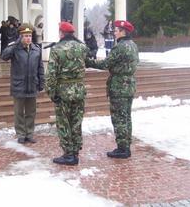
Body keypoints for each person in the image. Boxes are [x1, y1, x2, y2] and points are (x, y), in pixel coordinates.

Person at [86, 20, 139, 159]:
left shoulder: (120, 47)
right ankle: (126, 145)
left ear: (123, 31)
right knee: (126, 117)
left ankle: (122, 149)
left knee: (119, 118)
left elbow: (105, 63)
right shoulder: (133, 45)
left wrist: (88, 61)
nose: (114, 32)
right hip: (129, 85)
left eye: (116, 30)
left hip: (119, 86)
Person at [45, 21, 88, 166]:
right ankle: (75, 152)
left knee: (64, 123)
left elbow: (51, 74)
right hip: (79, 90)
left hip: (63, 91)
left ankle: (68, 154)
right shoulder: (82, 47)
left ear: (61, 33)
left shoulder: (57, 49)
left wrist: (51, 92)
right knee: (76, 122)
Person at [1, 23, 45, 144]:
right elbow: (4, 56)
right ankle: (20, 133)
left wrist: (42, 83)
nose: (28, 38)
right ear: (20, 37)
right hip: (18, 85)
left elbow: (40, 68)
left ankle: (29, 133)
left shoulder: (37, 49)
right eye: (25, 36)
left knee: (31, 112)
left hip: (32, 85)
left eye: (29, 36)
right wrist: (15, 44)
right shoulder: (15, 48)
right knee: (19, 112)